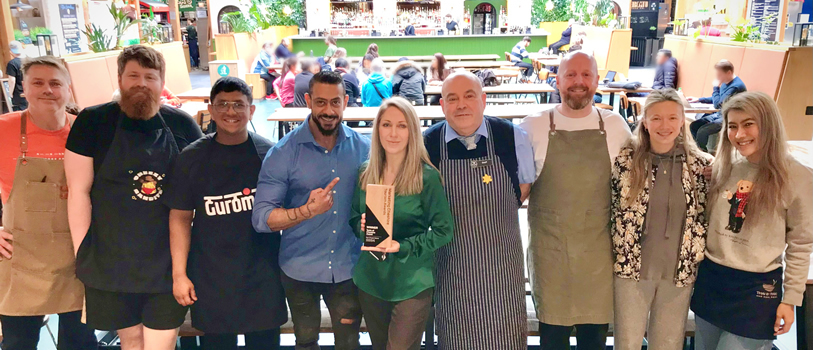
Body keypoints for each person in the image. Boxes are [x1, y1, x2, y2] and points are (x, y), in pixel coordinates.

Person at [64, 45, 204, 350]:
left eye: (150, 77)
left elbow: (201, 193)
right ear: (120, 78)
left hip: (168, 261)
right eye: (133, 75)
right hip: (111, 259)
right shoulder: (92, 122)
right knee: (130, 341)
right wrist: (83, 253)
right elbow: (77, 192)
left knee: (161, 343)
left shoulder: (182, 125)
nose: (141, 83)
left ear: (161, 81)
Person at [520, 51, 632, 350]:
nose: (578, 82)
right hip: (550, 255)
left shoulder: (616, 127)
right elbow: (514, 191)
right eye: (570, 75)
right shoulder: (532, 127)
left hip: (598, 258)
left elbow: (636, 187)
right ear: (557, 81)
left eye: (586, 75)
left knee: (593, 341)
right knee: (552, 341)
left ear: (597, 81)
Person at [252, 71, 370, 350]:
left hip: (348, 268)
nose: (328, 111)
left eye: (335, 102)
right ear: (308, 101)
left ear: (346, 102)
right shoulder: (283, 152)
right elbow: (261, 218)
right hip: (298, 269)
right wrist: (305, 211)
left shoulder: (364, 148)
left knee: (349, 343)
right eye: (320, 102)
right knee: (306, 342)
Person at [167, 77, 287, 350]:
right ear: (211, 108)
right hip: (211, 277)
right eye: (222, 104)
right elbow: (180, 218)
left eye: (238, 105)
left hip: (262, 275)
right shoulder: (191, 158)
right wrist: (179, 274)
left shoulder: (268, 154)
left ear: (251, 110)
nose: (230, 112)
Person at [690, 92, 813, 350]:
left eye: (748, 124)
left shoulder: (798, 177)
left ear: (768, 124)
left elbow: (801, 244)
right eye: (732, 126)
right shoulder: (726, 167)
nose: (739, 134)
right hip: (713, 281)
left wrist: (791, 299)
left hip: (756, 290)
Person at [424, 71, 535, 349]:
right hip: (453, 273)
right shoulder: (427, 145)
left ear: (484, 100)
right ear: (442, 105)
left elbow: (522, 190)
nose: (461, 104)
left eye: (469, 96)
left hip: (502, 276)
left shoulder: (513, 137)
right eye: (453, 98)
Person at [0, 56, 98, 350]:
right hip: (20, 256)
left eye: (55, 83)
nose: (48, 90)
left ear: (68, 89)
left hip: (76, 256)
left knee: (80, 341)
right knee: (18, 342)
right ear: (24, 90)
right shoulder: (4, 128)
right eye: (38, 83)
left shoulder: (86, 131)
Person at [610, 89, 712, 350]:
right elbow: (610, 209)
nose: (664, 126)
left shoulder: (702, 167)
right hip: (631, 271)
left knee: (667, 343)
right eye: (656, 118)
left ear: (682, 121)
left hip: (679, 274)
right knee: (627, 342)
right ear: (645, 121)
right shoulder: (626, 161)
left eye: (672, 118)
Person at [350, 97, 454, 350]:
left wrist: (403, 246)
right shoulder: (366, 172)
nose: (393, 133)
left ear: (412, 131)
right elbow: (353, 218)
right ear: (377, 130)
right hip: (372, 279)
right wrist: (362, 227)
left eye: (402, 125)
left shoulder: (426, 177)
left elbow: (444, 231)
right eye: (386, 125)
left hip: (411, 282)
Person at [688, 59, 747, 152]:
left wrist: (715, 87)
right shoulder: (725, 82)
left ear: (728, 73)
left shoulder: (735, 87)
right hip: (720, 114)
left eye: (719, 75)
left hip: (729, 118)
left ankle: (703, 155)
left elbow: (717, 104)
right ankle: (698, 152)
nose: (717, 78)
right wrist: (699, 99)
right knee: (694, 125)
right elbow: (718, 98)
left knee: (702, 132)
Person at [5, 41, 27, 111]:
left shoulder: (12, 63)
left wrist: (10, 93)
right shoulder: (30, 60)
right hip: (30, 92)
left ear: (11, 52)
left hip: (19, 95)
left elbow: (12, 80)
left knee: (21, 116)